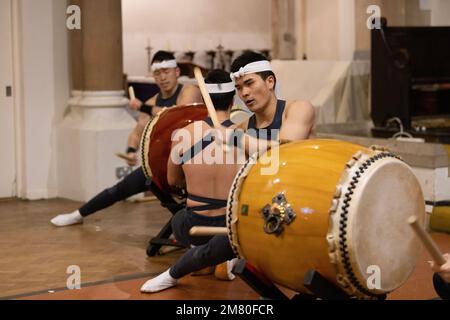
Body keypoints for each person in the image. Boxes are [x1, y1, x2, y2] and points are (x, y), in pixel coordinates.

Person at [140, 52, 315, 293]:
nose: (244, 93)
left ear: (270, 81)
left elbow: (287, 149)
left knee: (222, 239)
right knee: (229, 233)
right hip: (266, 210)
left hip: (305, 206)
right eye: (239, 87)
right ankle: (202, 263)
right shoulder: (245, 126)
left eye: (250, 83)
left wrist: (233, 137)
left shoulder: (296, 109)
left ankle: (175, 272)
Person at [51, 51, 202, 227]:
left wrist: (143, 107)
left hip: (191, 162)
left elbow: (177, 114)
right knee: (119, 189)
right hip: (160, 166)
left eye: (166, 72)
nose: (162, 77)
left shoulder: (189, 91)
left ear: (177, 72)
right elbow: (137, 133)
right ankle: (77, 214)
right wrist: (131, 151)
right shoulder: (152, 102)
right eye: (158, 73)